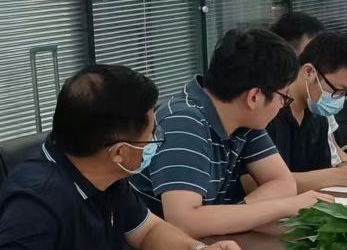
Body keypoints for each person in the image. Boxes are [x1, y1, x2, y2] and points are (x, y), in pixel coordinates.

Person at [0, 64, 247, 250]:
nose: (156, 139)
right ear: (119, 152)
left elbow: (147, 231)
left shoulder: (104, 174)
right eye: (152, 133)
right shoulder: (37, 196)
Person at [133, 28, 330, 236]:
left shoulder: (244, 118)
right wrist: (287, 206)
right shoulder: (183, 122)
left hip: (206, 242)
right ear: (254, 97)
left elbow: (283, 183)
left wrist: (232, 218)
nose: (282, 106)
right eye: (284, 97)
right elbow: (185, 221)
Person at [268, 31, 347, 192]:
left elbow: (321, 170)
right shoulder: (269, 111)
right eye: (338, 90)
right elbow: (257, 182)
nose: (339, 99)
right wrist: (337, 175)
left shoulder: (317, 115)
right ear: (309, 72)